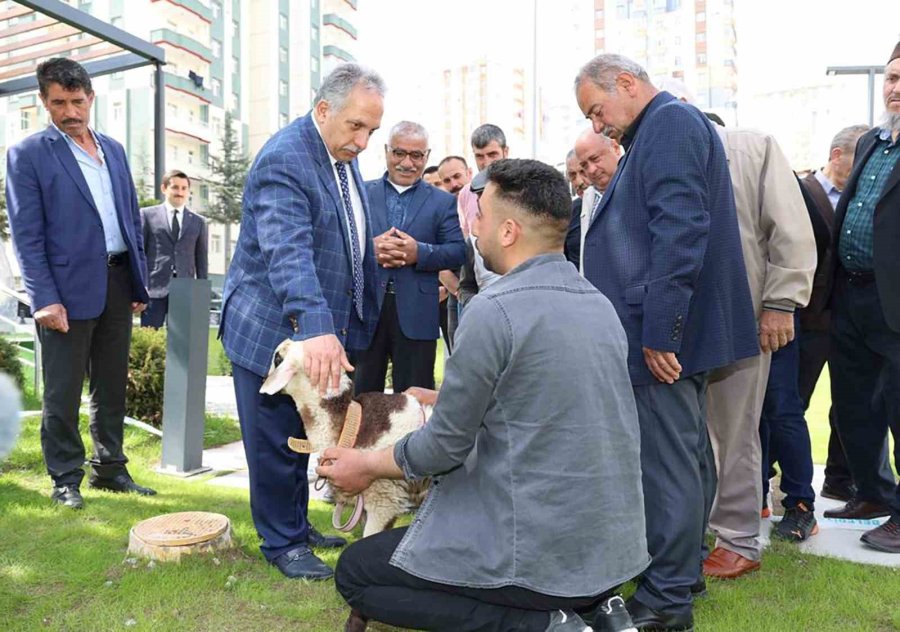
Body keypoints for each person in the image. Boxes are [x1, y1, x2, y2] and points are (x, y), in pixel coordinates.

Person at [319, 159, 649, 632]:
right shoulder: (599, 304)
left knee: (357, 573)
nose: (474, 229)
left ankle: (546, 625)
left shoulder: (493, 309)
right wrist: (442, 397)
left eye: (482, 217)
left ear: (509, 231)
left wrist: (364, 465)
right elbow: (539, 399)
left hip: (535, 553)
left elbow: (444, 447)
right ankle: (598, 609)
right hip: (607, 553)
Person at [575, 54, 758, 630]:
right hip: (663, 326)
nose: (599, 125)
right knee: (689, 455)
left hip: (660, 333)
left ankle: (665, 599)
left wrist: (661, 333)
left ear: (626, 84)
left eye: (598, 110)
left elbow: (680, 232)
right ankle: (682, 572)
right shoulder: (659, 127)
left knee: (668, 463)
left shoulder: (671, 124)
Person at [219, 63, 385, 579]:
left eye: (371, 131)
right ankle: (282, 544)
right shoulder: (286, 159)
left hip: (315, 329)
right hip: (273, 331)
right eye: (356, 126)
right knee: (273, 442)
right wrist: (316, 326)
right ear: (322, 110)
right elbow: (287, 250)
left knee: (301, 436)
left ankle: (294, 524)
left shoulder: (338, 153)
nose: (362, 141)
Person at [6, 58, 154, 510]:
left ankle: (110, 470)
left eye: (76, 101)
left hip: (116, 280)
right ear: (43, 102)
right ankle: (65, 478)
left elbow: (129, 216)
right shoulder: (27, 155)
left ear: (91, 98)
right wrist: (43, 298)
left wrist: (137, 284)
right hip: (64, 293)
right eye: (58, 103)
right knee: (62, 392)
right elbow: (27, 237)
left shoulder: (113, 148)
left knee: (110, 385)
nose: (69, 112)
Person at [702, 123, 816, 568]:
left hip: (741, 316)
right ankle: (707, 532)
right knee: (701, 437)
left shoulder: (750, 148)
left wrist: (781, 302)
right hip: (681, 320)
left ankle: (737, 540)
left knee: (739, 428)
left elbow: (794, 232)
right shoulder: (644, 150)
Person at [821, 42, 900, 554]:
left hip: (895, 302)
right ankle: (872, 493)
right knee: (853, 405)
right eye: (892, 78)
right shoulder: (874, 139)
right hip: (851, 295)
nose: (895, 88)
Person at [353, 122, 465, 394]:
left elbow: (458, 251)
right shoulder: (360, 194)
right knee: (360, 401)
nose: (407, 162)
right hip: (366, 312)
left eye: (416, 156)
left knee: (414, 404)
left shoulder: (443, 202)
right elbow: (338, 246)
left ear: (427, 157)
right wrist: (369, 251)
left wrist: (419, 252)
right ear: (386, 151)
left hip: (417, 315)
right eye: (399, 153)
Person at [798, 124, 871, 502]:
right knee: (794, 403)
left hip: (850, 319)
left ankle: (840, 479)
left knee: (849, 406)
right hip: (807, 318)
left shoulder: (862, 198)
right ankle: (777, 480)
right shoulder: (801, 190)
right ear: (838, 155)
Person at [140, 169, 209, 328]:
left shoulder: (198, 222)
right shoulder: (147, 215)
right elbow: (140, 254)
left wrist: (202, 295)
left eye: (184, 188)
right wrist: (138, 287)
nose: (180, 192)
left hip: (185, 291)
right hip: (154, 289)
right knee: (150, 338)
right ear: (164, 189)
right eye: (175, 187)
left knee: (182, 346)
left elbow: (201, 259)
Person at [456, 124, 506, 310]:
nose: (486, 162)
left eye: (492, 154)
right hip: (482, 295)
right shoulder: (465, 195)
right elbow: (469, 247)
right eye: (479, 156)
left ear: (505, 151)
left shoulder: (524, 188)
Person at [569, 130, 622, 272]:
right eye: (585, 165)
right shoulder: (588, 199)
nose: (591, 170)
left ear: (615, 148)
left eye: (595, 159)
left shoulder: (638, 185)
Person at [435, 155, 472, 351]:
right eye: (447, 181)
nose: (454, 184)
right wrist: (459, 291)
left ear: (469, 174)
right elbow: (438, 263)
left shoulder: (484, 205)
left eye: (457, 176)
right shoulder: (442, 213)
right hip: (456, 295)